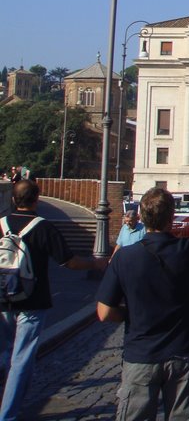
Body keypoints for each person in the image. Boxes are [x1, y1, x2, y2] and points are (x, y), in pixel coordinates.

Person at [96, 186, 189, 421]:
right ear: (171, 218)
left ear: (141, 217)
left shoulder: (124, 257)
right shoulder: (187, 250)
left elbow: (104, 313)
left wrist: (131, 315)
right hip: (181, 351)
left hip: (141, 353)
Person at [0, 179, 106, 421]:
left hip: (3, 297)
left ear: (13, 200)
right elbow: (68, 262)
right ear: (37, 199)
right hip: (33, 300)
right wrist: (95, 263)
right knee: (21, 358)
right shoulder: (43, 227)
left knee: (4, 354)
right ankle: (8, 414)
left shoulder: (1, 224)